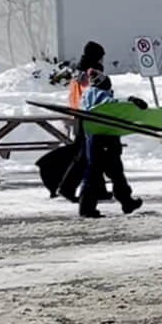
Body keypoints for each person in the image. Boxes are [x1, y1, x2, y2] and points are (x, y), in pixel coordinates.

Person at [77, 70, 145, 218]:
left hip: (94, 139)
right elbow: (110, 105)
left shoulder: (87, 94)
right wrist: (130, 100)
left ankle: (126, 202)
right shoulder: (98, 93)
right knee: (105, 174)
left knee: (111, 173)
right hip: (104, 139)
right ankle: (87, 208)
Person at [58, 40, 107, 202]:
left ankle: (98, 189)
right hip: (90, 116)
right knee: (86, 156)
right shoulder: (92, 73)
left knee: (92, 154)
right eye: (101, 57)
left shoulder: (77, 72)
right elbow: (95, 94)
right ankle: (67, 187)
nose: (102, 61)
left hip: (77, 114)